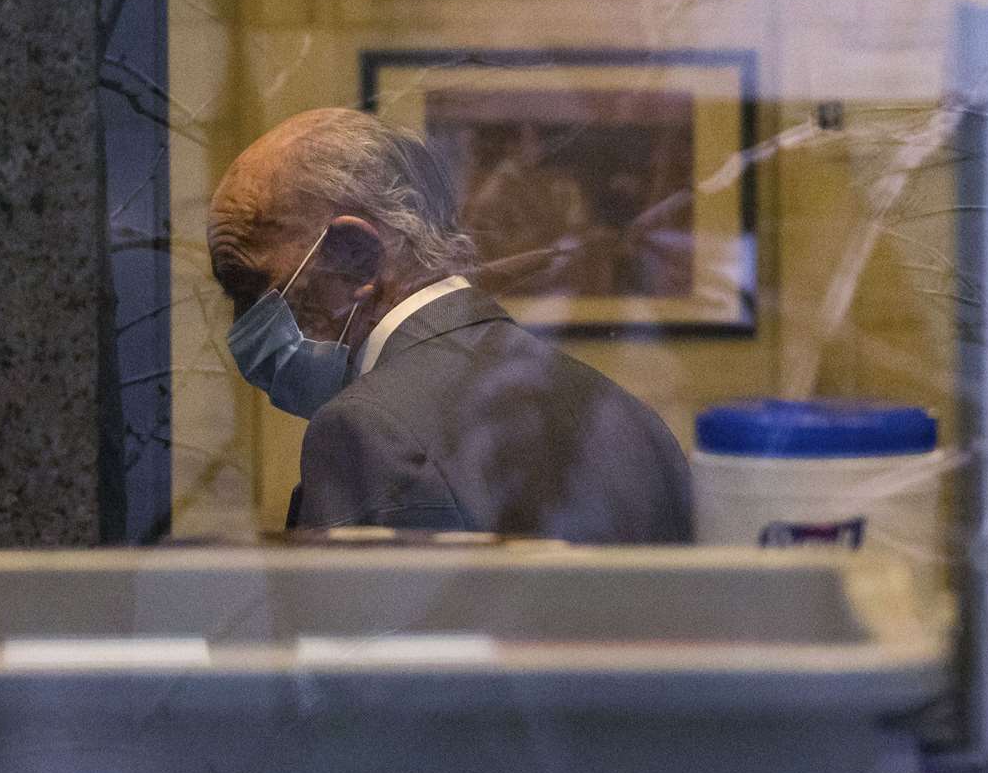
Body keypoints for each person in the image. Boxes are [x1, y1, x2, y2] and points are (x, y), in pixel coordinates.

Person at [208, 108, 692, 539]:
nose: (243, 324)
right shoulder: (634, 419)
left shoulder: (366, 429)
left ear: (354, 257)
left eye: (251, 288)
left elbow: (351, 637)